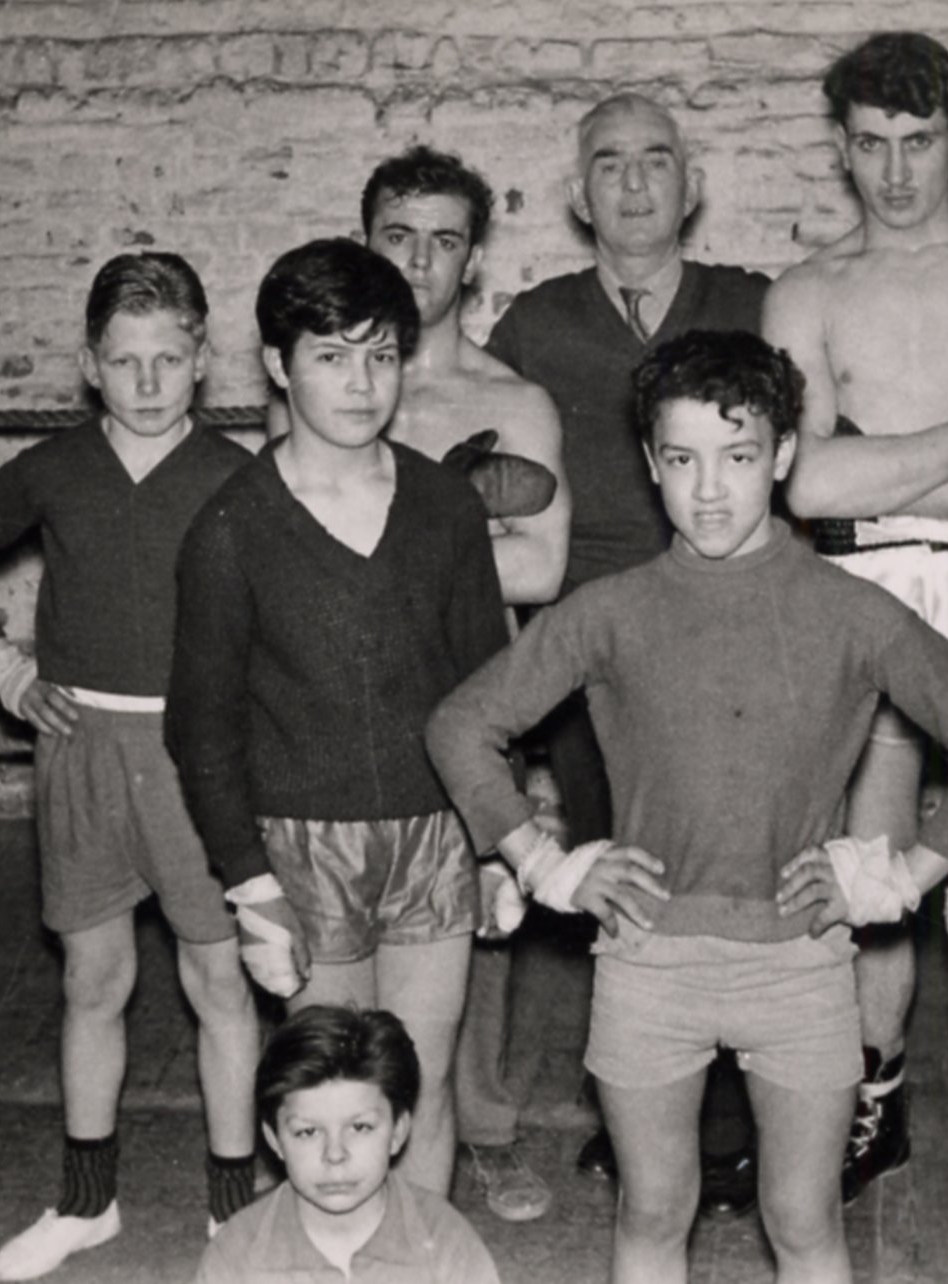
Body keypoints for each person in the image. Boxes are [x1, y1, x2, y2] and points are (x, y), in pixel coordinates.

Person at [427, 329, 948, 1284]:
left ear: (785, 457)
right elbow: (461, 725)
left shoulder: (850, 612)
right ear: (649, 463)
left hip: (799, 962)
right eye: (681, 460)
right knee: (653, 1210)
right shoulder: (609, 610)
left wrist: (901, 879)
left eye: (739, 457)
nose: (708, 489)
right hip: (648, 957)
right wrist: (544, 864)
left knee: (803, 1223)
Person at [761, 30, 948, 1202]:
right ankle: (870, 1101)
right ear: (841, 149)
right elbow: (808, 485)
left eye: (921, 144)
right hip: (865, 590)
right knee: (873, 859)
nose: (897, 171)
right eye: (874, 145)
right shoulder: (807, 291)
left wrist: (923, 460)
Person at [0, 252, 261, 1281]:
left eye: (168, 358)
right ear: (90, 366)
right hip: (80, 748)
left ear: (202, 361)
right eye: (126, 360)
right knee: (94, 980)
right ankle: (86, 1200)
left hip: (198, 754)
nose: (148, 381)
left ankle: (234, 1213)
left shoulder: (242, 479)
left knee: (221, 982)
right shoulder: (55, 469)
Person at [165, 238, 510, 1197]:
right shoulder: (231, 528)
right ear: (278, 364)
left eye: (382, 355)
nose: (362, 384)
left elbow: (488, 688)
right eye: (331, 356)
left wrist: (500, 838)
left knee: (422, 1085)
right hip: (303, 847)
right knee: (334, 1100)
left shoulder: (443, 505)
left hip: (434, 832)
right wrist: (248, 883)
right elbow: (201, 728)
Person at [482, 91, 768, 1213]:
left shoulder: (754, 303)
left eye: (658, 162)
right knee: (621, 877)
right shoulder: (533, 326)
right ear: (577, 194)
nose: (637, 184)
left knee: (732, 871)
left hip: (731, 636)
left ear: (690, 186)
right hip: (591, 647)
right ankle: (644, 1110)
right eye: (612, 165)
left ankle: (738, 1123)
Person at [362, 143, 571, 1223]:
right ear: (370, 244)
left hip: (474, 690)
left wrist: (390, 549)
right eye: (400, 236)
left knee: (480, 919)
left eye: (445, 241)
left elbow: (537, 563)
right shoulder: (330, 381)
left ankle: (479, 1132)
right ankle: (355, 1137)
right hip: (345, 693)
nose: (421, 261)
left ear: (472, 262)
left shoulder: (513, 401)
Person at [195, 1005, 502, 1284]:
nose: (335, 1155)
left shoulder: (447, 1244)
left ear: (398, 1131)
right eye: (307, 1132)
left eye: (360, 1127)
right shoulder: (236, 1257)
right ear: (275, 1139)